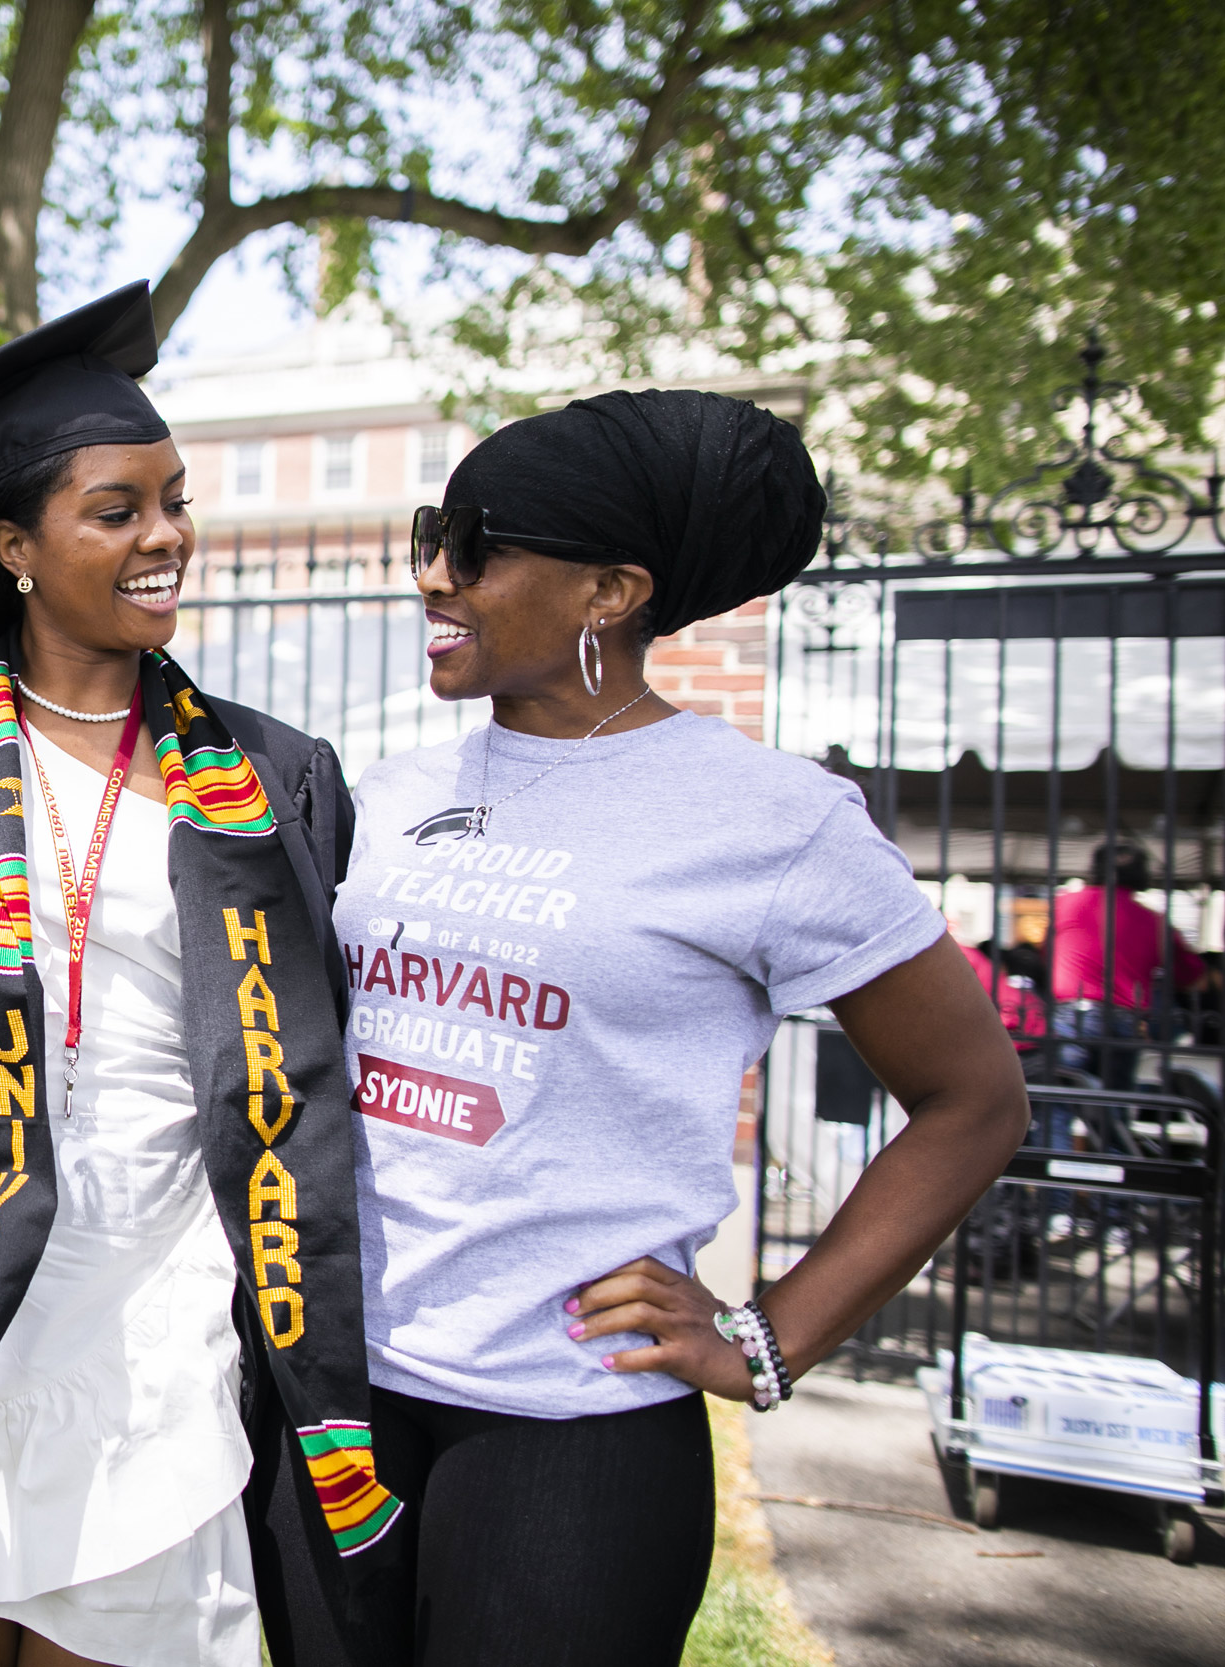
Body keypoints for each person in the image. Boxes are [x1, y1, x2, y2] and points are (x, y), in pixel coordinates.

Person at [319, 392, 1030, 1667]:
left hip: (569, 1430)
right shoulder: (386, 792)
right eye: (432, 531)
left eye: (474, 544)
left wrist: (770, 1333)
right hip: (337, 1397)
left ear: (610, 590)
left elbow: (974, 1098)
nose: (432, 572)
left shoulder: (770, 818)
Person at [0, 283, 396, 1667]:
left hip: (154, 1319)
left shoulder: (274, 773)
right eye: (118, 510)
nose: (167, 535)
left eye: (174, 500)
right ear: (15, 545)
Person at [1048, 841, 1214, 1088]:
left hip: (1072, 1014)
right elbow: (1195, 980)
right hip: (1124, 1018)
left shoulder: (1065, 903)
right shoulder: (1155, 922)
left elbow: (1047, 954)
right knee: (1114, 1103)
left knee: (1059, 1098)